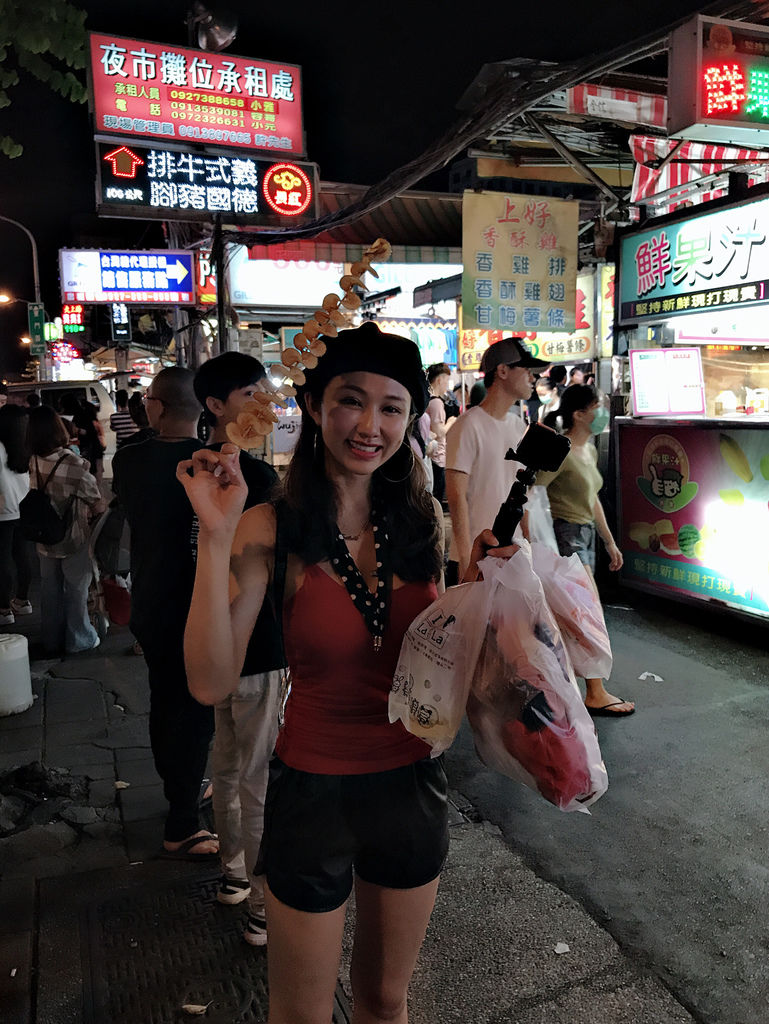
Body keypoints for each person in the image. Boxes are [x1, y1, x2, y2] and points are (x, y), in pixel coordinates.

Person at [179, 322, 512, 1024]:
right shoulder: (269, 525)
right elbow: (210, 682)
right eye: (349, 400)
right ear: (312, 405)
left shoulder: (422, 523)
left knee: (384, 1003)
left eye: (391, 407)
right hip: (312, 791)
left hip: (410, 782)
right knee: (300, 1014)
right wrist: (214, 536)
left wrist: (490, 593)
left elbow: (449, 656)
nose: (369, 424)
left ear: (410, 419)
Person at [192, 352, 283, 945]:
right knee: (254, 776)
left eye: (268, 389)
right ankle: (260, 906)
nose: (266, 401)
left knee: (225, 766)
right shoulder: (255, 481)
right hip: (253, 647)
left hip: (205, 642)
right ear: (216, 406)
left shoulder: (192, 470)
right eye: (253, 392)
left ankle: (232, 878)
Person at [112, 368, 218, 860]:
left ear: (155, 406)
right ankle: (182, 820)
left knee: (167, 700)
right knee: (194, 710)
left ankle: (183, 791)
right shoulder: (213, 465)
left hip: (152, 600)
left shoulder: (129, 460)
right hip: (198, 601)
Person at [538, 384, 634, 717]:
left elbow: (592, 500)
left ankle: (582, 689)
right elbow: (533, 494)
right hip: (566, 538)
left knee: (581, 614)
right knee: (583, 614)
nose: (602, 412)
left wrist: (609, 541)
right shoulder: (560, 450)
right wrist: (533, 540)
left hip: (586, 535)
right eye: (597, 407)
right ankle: (590, 691)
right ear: (579, 414)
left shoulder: (588, 450)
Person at [446, 337, 549, 586]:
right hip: (475, 556)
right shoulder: (467, 426)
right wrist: (463, 560)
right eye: (526, 370)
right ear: (502, 371)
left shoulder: (518, 425)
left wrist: (528, 540)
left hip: (511, 553)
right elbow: (457, 499)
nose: (533, 378)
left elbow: (522, 490)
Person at [27, 406, 104, 654]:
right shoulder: (74, 464)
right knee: (76, 589)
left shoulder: (34, 460)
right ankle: (78, 639)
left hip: (44, 537)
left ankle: (52, 638)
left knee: (49, 590)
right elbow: (96, 501)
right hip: (73, 536)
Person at [0, 406, 31, 624]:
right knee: (22, 556)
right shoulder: (26, 446)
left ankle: (4, 610)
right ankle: (22, 600)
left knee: (2, 560)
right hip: (23, 507)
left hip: (3, 511)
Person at [426, 362, 452, 503]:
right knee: (436, 501)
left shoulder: (427, 400)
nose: (447, 385)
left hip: (431, 456)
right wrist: (451, 422)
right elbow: (439, 432)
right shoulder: (436, 403)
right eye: (447, 380)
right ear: (439, 380)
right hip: (437, 458)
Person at [74, 400, 105, 485]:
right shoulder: (95, 422)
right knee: (97, 478)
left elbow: (91, 433)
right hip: (97, 450)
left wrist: (79, 430)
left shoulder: (89, 423)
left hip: (91, 451)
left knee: (93, 477)